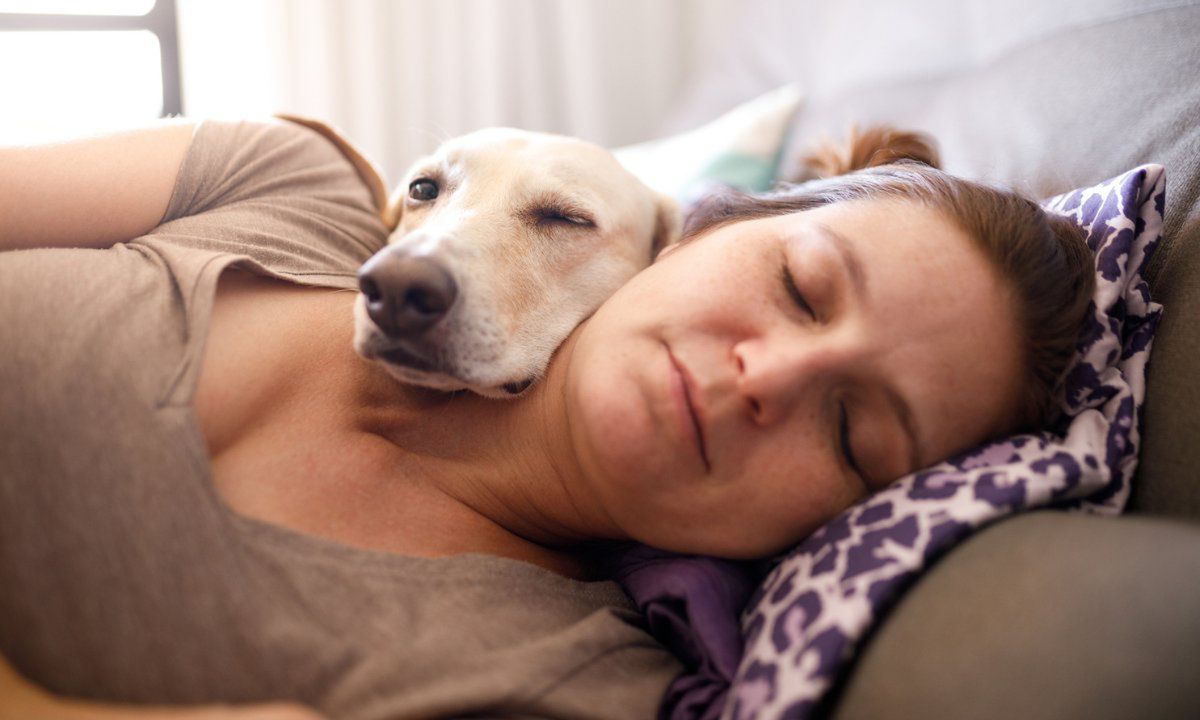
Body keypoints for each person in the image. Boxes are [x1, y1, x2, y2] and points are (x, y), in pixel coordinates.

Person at [0, 119, 1094, 719]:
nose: (769, 375)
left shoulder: (560, 692)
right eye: (801, 289)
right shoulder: (279, 180)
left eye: (855, 436)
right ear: (696, 235)